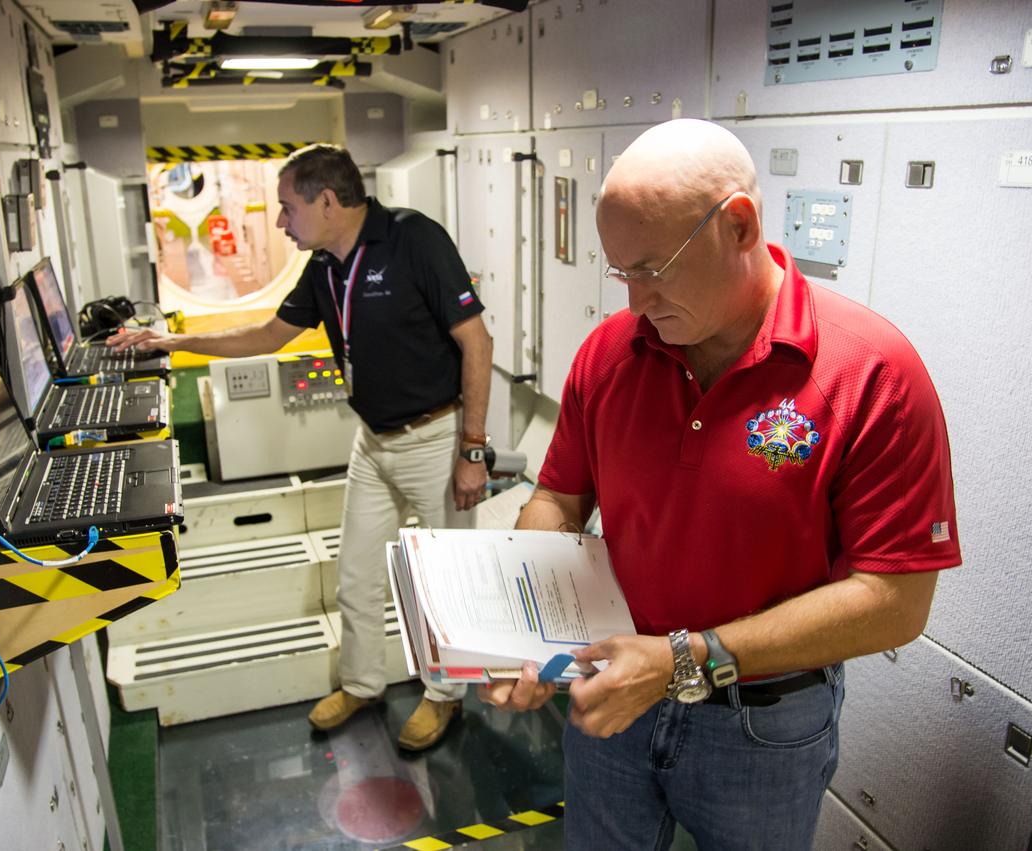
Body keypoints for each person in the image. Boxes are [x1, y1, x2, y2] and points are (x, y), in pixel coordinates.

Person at [478, 119, 961, 849]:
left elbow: (894, 601)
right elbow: (558, 497)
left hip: (759, 721)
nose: (634, 301)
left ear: (737, 225)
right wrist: (530, 627)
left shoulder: (870, 373)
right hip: (612, 692)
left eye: (653, 268)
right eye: (620, 273)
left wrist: (680, 659)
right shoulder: (610, 354)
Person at [111, 144, 492, 750]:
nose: (282, 221)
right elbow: (266, 335)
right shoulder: (323, 269)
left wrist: (474, 449)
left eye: (288, 208)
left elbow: (477, 342)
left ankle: (445, 696)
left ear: (328, 201)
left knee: (440, 582)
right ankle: (364, 683)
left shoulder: (415, 240)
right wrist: (169, 344)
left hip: (437, 440)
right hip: (373, 443)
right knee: (357, 576)